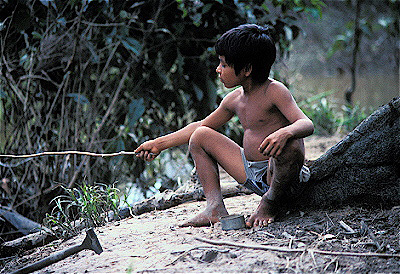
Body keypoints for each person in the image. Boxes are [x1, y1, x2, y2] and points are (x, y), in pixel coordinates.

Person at [134, 24, 314, 227]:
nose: (218, 69)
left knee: (291, 143)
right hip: (251, 172)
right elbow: (200, 125)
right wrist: (158, 144)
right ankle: (214, 207)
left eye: (224, 64)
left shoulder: (274, 91)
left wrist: (284, 132)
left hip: (281, 176)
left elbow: (306, 124)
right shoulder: (234, 99)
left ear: (246, 69)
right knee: (201, 135)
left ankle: (270, 202)